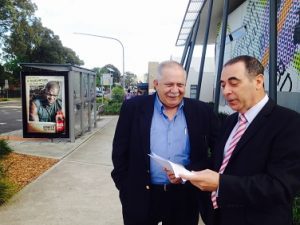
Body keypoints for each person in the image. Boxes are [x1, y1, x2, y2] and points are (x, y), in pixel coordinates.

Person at [180, 55, 300, 225]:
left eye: (233, 82)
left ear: (258, 81)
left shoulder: (289, 123)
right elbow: (220, 163)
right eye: (222, 85)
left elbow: (280, 187)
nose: (226, 91)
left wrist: (221, 184)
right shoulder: (231, 121)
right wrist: (185, 172)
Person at [111, 60, 220, 225]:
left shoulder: (202, 111)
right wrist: (126, 188)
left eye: (180, 84)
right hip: (142, 195)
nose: (175, 91)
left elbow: (218, 152)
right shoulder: (133, 108)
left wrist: (189, 173)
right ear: (156, 84)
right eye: (169, 84)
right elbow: (119, 151)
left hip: (185, 195)